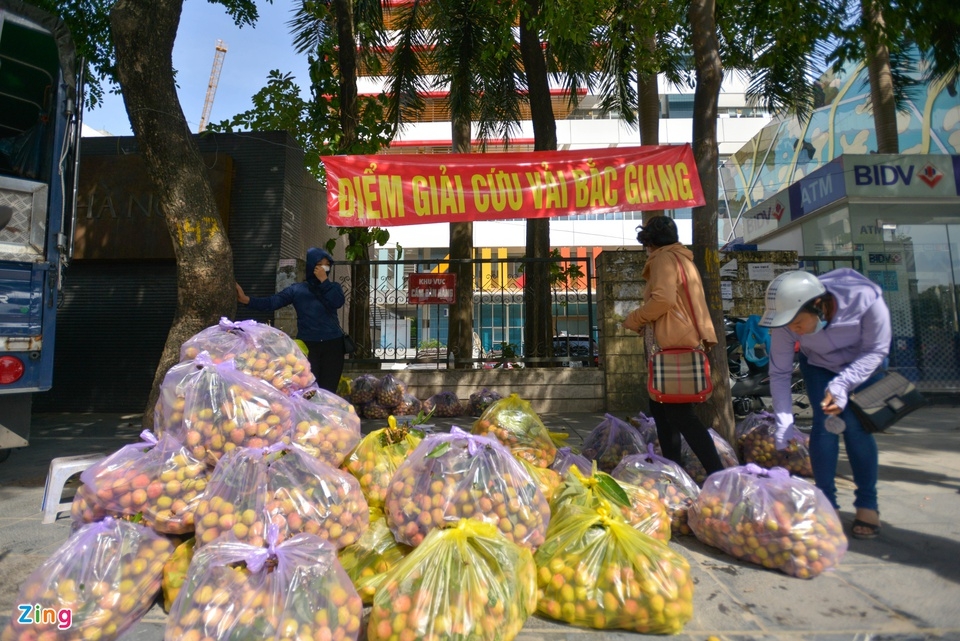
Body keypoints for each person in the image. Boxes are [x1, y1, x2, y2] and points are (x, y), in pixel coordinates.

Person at [759, 269, 891, 539]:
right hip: (819, 365)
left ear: (818, 305)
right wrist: (784, 420)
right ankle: (825, 503)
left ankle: (868, 504)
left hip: (863, 363)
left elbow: (877, 349)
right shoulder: (786, 325)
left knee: (855, 426)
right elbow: (780, 373)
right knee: (825, 425)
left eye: (797, 323)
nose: (793, 330)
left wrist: (842, 384)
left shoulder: (865, 298)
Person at [622, 216, 724, 476]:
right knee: (661, 410)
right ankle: (672, 470)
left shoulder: (662, 259)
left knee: (679, 415)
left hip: (670, 344)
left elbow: (663, 300)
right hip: (682, 340)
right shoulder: (683, 259)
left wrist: (635, 317)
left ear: (649, 242)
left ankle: (717, 473)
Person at [236, 247, 346, 393]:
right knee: (308, 388)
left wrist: (324, 281)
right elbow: (272, 302)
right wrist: (246, 300)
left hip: (333, 345)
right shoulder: (297, 290)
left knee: (329, 389)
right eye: (320, 264)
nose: (323, 268)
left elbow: (337, 302)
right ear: (312, 265)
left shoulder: (333, 287)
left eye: (327, 265)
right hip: (308, 346)